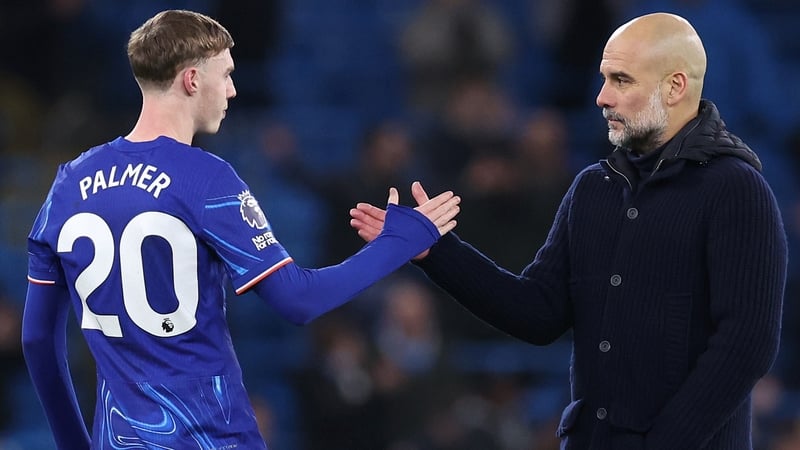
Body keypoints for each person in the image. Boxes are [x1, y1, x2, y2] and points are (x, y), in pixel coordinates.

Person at [21, 9, 460, 449]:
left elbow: (38, 339)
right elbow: (298, 299)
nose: (232, 89)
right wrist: (402, 240)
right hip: (212, 438)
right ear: (192, 80)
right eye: (226, 74)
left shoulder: (67, 184)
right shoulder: (206, 178)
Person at [350, 12, 787, 449]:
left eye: (621, 80)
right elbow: (537, 312)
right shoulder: (592, 189)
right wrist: (436, 250)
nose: (601, 97)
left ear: (675, 87)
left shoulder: (738, 191)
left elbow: (745, 346)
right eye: (603, 79)